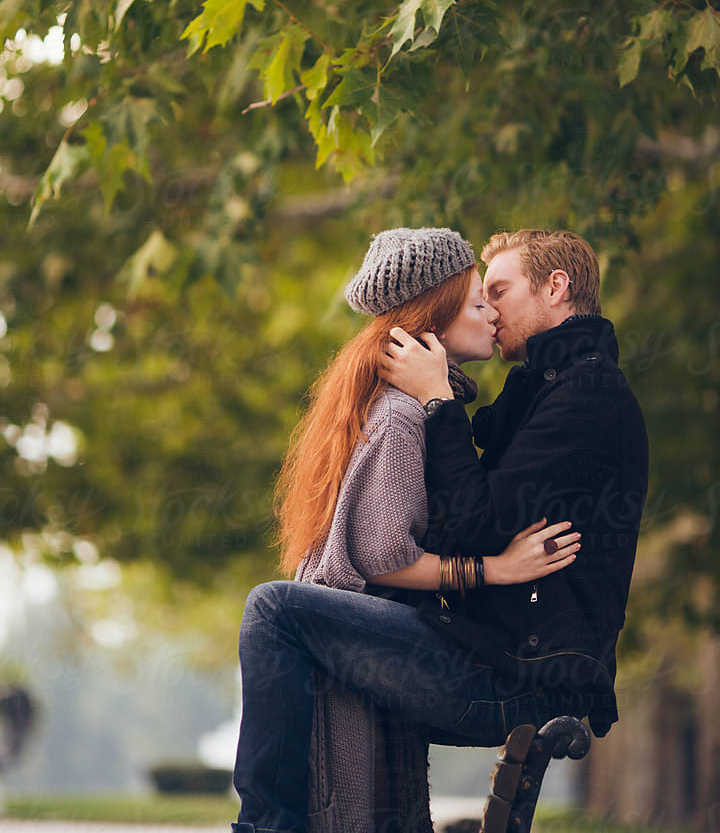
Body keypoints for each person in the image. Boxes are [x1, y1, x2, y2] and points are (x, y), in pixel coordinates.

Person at [233, 227, 597, 833]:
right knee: (269, 608)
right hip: (385, 625)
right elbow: (381, 554)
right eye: (479, 299)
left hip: (406, 637)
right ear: (437, 315)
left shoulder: (421, 408)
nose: (491, 313)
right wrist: (495, 569)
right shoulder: (404, 415)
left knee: (272, 611)